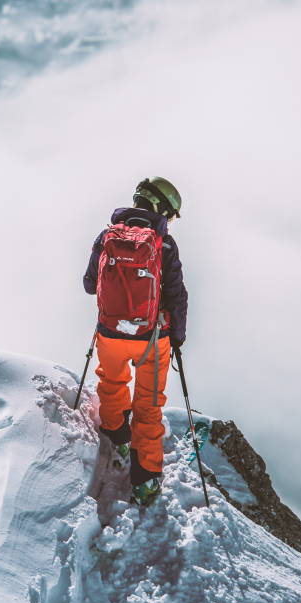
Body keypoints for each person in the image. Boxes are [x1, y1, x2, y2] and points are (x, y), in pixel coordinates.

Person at [82, 177, 187, 505]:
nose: (168, 222)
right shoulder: (165, 244)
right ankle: (144, 482)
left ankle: (117, 437)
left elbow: (89, 284)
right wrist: (178, 336)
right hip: (153, 339)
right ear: (160, 209)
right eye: (168, 215)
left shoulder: (106, 236)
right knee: (148, 404)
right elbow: (176, 295)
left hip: (111, 333)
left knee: (112, 384)